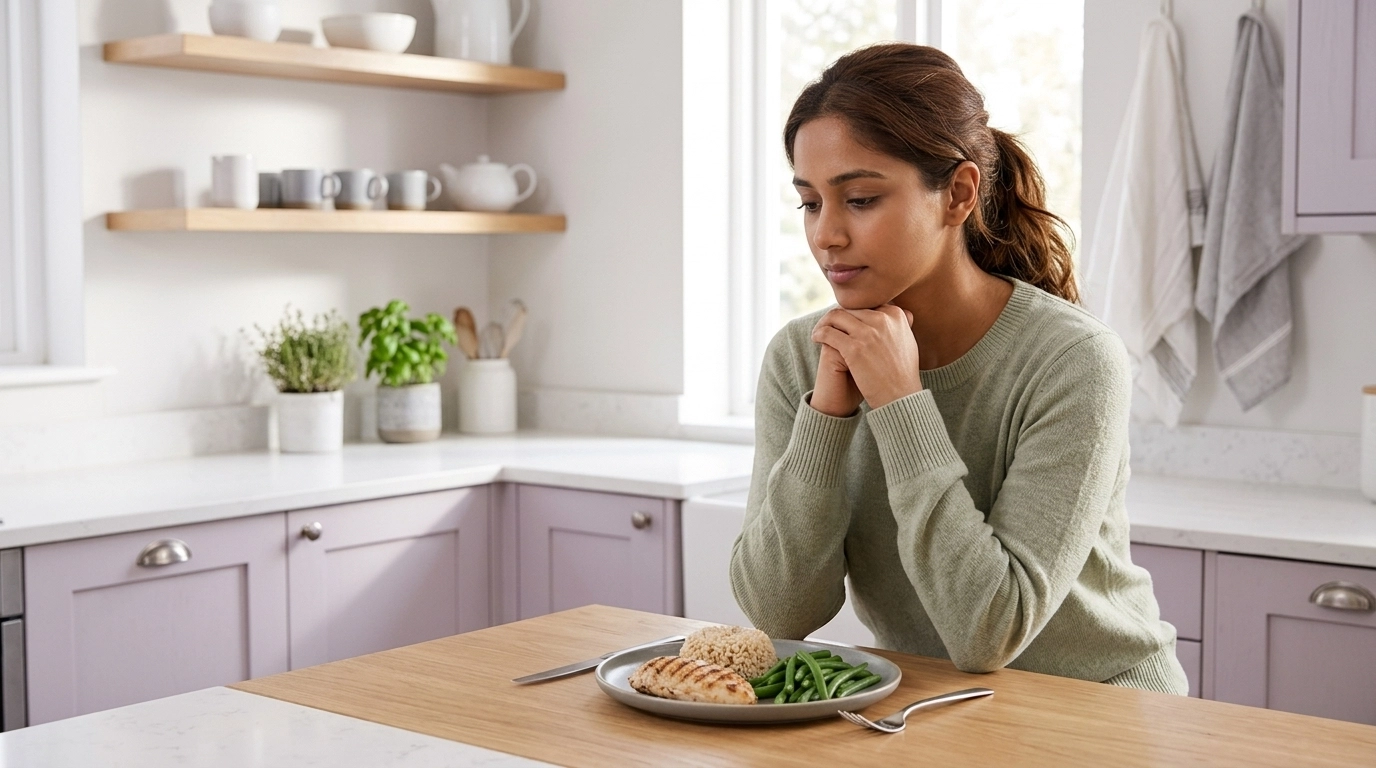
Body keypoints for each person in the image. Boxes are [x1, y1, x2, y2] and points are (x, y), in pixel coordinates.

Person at [729, 42, 1188, 694]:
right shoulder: (801, 358)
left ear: (959, 194)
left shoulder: (1075, 360)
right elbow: (779, 614)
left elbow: (987, 632)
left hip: (1099, 714)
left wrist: (899, 402)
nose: (826, 235)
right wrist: (827, 418)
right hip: (938, 710)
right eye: (810, 202)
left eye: (859, 199)